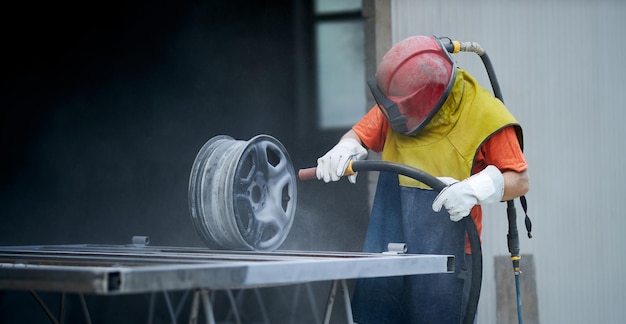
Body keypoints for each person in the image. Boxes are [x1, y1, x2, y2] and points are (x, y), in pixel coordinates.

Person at [315, 35, 529, 323]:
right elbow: (358, 135)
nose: (390, 115)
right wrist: (346, 147)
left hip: (450, 255)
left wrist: (475, 188)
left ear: (424, 102)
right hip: (388, 246)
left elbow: (520, 178)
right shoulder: (399, 104)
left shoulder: (485, 115)